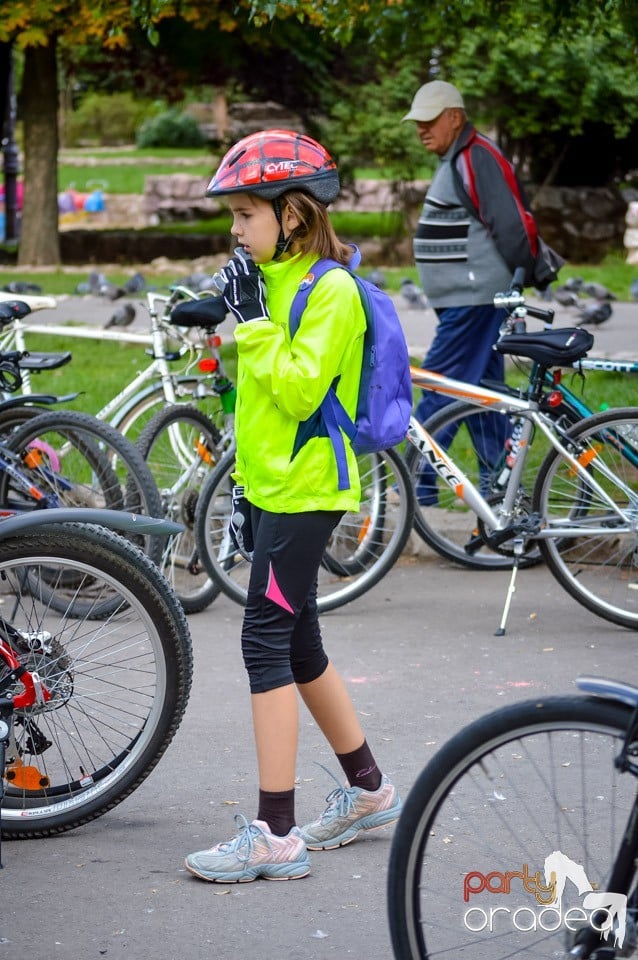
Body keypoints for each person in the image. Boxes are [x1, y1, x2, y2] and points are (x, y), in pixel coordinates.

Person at [184, 129, 402, 884]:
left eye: (247, 214)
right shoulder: (271, 283)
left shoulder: (330, 290)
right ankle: (369, 790)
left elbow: (303, 388)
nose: (235, 229)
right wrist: (244, 489)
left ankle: (276, 833)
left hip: (311, 492)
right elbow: (258, 401)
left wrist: (250, 323)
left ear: (295, 216)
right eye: (234, 216)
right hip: (275, 487)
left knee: (263, 642)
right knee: (298, 642)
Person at [402, 80, 542, 503]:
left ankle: (412, 490)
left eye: (429, 121)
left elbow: (512, 224)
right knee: (484, 399)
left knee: (442, 387)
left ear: (455, 118)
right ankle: (499, 499)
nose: (421, 130)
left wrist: (522, 276)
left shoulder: (476, 155)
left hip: (477, 300)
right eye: (417, 123)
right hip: (468, 299)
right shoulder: (457, 156)